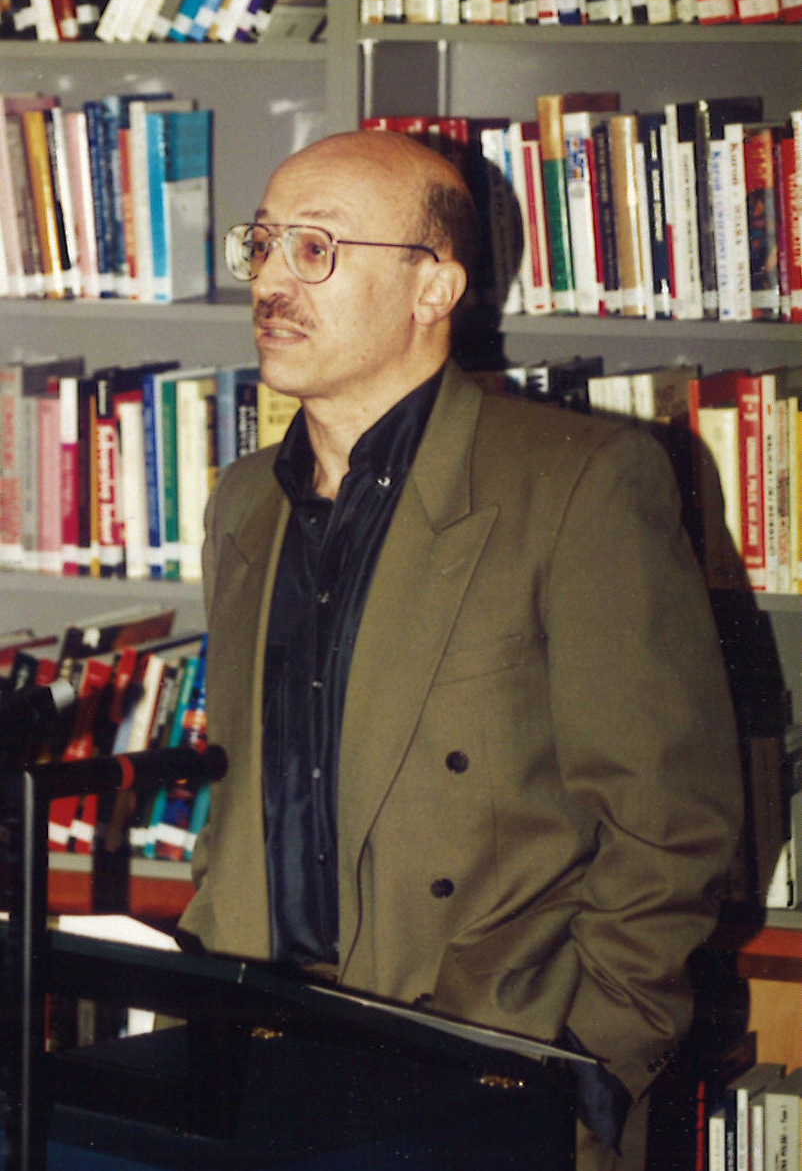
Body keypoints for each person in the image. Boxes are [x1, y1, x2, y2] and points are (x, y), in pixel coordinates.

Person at [177, 129, 742, 1169]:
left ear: (433, 285)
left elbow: (672, 819)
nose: (268, 278)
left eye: (316, 249)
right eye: (261, 244)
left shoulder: (579, 482)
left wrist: (592, 1060)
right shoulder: (245, 502)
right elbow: (248, 780)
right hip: (260, 1061)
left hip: (486, 1075)